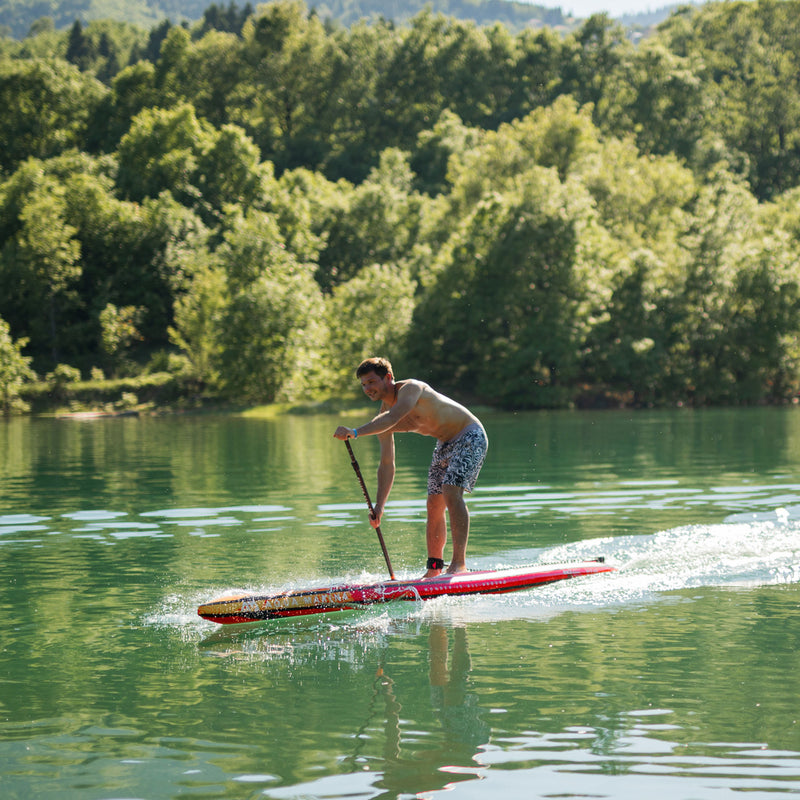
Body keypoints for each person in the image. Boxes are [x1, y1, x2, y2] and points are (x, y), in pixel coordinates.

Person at [333, 357, 488, 577]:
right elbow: (387, 464)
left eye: (371, 382)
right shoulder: (381, 419)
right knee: (434, 504)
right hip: (444, 444)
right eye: (363, 385)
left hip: (470, 435)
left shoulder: (412, 388)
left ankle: (459, 565)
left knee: (451, 491)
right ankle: (434, 569)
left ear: (388, 378)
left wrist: (355, 432)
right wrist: (380, 506)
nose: (367, 388)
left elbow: (395, 416)